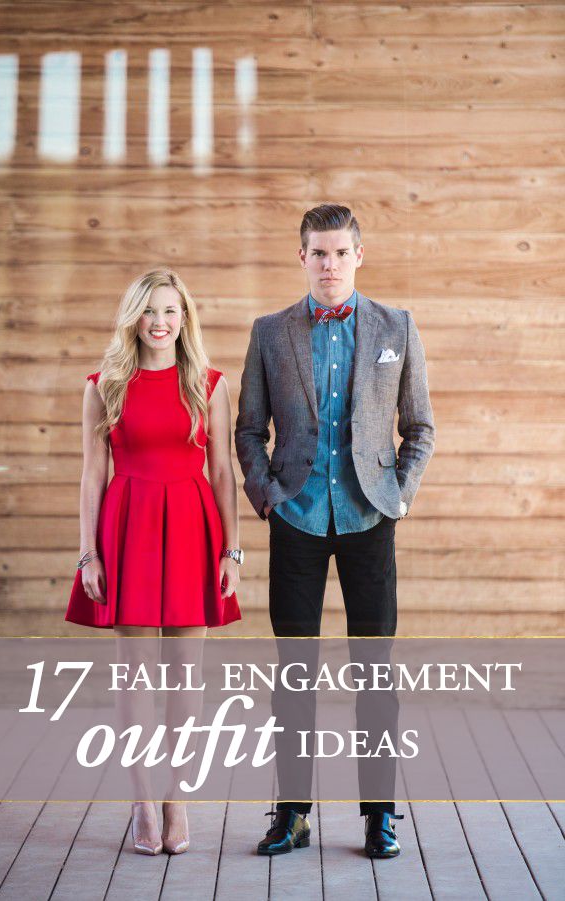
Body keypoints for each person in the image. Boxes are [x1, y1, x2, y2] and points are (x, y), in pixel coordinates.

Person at [235, 204, 435, 858]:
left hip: (369, 519)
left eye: (339, 253)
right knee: (294, 676)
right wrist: (265, 493)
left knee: (375, 675)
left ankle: (379, 816)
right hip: (295, 517)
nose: (329, 264)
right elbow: (248, 428)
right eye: (317, 253)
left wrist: (398, 494)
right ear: (301, 258)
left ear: (358, 255)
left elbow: (420, 427)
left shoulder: (396, 326)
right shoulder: (270, 333)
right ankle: (292, 814)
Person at [65, 267, 243, 855]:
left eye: (171, 311)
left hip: (193, 526)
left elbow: (222, 472)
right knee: (136, 670)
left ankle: (176, 798)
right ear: (133, 318)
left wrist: (231, 550)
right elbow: (94, 474)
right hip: (130, 525)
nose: (161, 322)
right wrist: (88, 552)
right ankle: (142, 800)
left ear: (184, 317)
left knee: (185, 675)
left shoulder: (208, 384)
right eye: (150, 311)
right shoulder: (104, 384)